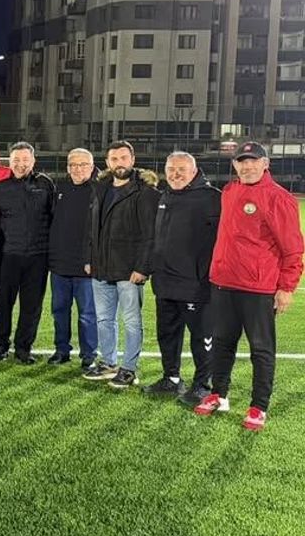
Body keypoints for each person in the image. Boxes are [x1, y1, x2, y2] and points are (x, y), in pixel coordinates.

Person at [195, 142, 303, 431]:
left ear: (265, 164)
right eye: (242, 161)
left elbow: (293, 249)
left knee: (261, 349)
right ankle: (219, 394)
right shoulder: (230, 191)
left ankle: (258, 406)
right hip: (223, 283)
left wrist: (286, 287)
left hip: (258, 287)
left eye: (254, 161)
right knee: (222, 343)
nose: (248, 166)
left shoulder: (279, 198)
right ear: (235, 165)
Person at [82, 141, 160, 388]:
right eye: (114, 159)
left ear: (132, 160)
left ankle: (129, 369)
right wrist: (89, 259)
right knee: (104, 319)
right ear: (107, 162)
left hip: (129, 269)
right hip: (101, 266)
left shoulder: (145, 192)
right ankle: (108, 363)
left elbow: (150, 234)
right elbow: (91, 228)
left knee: (132, 321)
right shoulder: (101, 188)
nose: (119, 163)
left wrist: (142, 267)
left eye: (124, 158)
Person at [145, 151, 220, 404]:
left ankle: (203, 385)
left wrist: (207, 272)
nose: (175, 174)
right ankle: (171, 379)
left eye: (181, 170)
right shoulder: (165, 195)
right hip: (165, 283)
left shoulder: (212, 198)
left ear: (194, 171)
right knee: (167, 334)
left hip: (196, 285)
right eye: (171, 169)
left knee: (201, 337)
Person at [0, 142, 53, 364]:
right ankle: (0, 347)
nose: (21, 164)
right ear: (9, 162)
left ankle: (23, 349)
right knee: (3, 304)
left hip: (38, 256)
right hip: (8, 256)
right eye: (16, 160)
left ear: (33, 161)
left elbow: (55, 216)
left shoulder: (46, 185)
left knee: (31, 306)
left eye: (25, 160)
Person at [48, 148, 98, 368]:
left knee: (87, 314)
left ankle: (89, 355)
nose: (78, 169)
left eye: (83, 165)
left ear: (92, 166)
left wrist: (93, 259)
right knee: (59, 311)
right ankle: (62, 350)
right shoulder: (60, 189)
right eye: (73, 165)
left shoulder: (99, 190)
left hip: (86, 267)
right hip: (60, 265)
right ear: (68, 168)